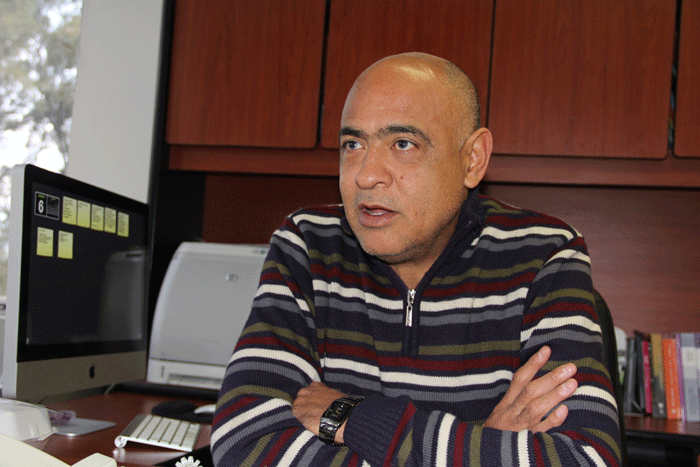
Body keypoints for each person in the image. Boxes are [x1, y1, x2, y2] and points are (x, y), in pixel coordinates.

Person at [211, 53, 622, 466]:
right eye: (353, 145)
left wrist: (357, 418)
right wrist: (481, 442)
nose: (366, 175)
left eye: (403, 144)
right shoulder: (309, 244)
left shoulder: (544, 254)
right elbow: (243, 443)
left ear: (473, 159)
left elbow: (587, 459)